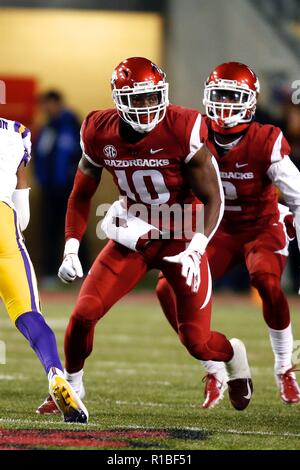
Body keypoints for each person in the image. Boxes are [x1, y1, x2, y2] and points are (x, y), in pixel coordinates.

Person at [37, 56, 253, 415]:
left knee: (197, 342)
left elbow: (213, 196)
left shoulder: (183, 126)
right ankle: (74, 389)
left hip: (182, 238)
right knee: (83, 314)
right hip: (134, 236)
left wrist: (198, 247)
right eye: (138, 99)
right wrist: (71, 247)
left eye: (153, 97)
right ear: (119, 98)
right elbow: (81, 193)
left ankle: (234, 356)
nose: (148, 105)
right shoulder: (97, 129)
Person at [155, 62, 300, 408]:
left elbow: (297, 194)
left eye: (233, 97)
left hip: (260, 227)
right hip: (215, 230)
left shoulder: (266, 140)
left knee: (266, 281)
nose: (224, 104)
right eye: (219, 95)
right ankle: (213, 366)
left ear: (251, 101)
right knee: (166, 288)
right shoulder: (195, 132)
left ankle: (284, 368)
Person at [0, 117, 88, 422]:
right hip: (3, 225)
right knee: (29, 314)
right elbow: (21, 205)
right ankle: (54, 372)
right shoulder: (16, 132)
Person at [34, 90, 87, 284]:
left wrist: (75, 177)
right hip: (49, 189)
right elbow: (38, 156)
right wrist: (41, 180)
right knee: (49, 230)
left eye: (48, 104)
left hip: (70, 188)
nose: (46, 108)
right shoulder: (46, 128)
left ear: (57, 103)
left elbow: (84, 155)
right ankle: (50, 273)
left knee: (75, 229)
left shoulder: (73, 125)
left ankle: (83, 270)